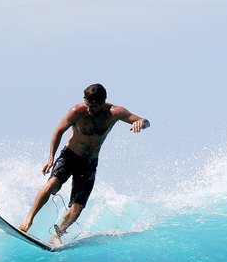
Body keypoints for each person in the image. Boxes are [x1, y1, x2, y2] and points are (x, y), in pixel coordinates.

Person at [19, 84, 149, 247]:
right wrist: (51, 158)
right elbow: (58, 131)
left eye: (93, 107)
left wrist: (141, 123)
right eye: (87, 105)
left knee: (78, 206)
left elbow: (145, 121)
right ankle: (29, 219)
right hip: (70, 156)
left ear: (103, 102)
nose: (89, 110)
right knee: (52, 184)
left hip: (89, 163)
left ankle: (57, 235)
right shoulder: (76, 112)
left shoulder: (115, 113)